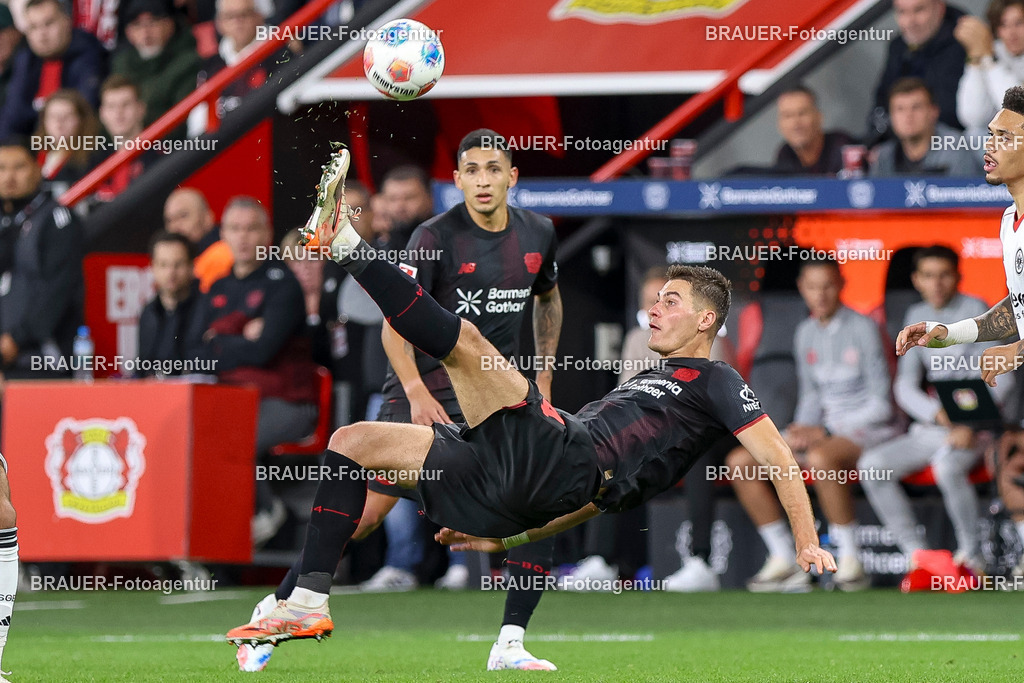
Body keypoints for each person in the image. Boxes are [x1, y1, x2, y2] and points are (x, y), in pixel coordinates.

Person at [225, 148, 836, 650]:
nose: (655, 308)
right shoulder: (644, 384)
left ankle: (345, 246)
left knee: (463, 339)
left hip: (562, 455)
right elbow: (595, 499)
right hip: (530, 480)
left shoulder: (717, 380)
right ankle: (304, 602)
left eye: (671, 301)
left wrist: (808, 539)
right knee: (351, 443)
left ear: (707, 321)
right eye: (657, 299)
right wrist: (507, 538)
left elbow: (778, 457)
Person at [235, 130, 566, 672]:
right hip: (427, 394)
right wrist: (413, 392)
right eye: (472, 170)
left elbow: (548, 301)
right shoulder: (433, 237)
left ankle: (510, 642)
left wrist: (546, 379)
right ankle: (273, 615)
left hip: (493, 399)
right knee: (362, 518)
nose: (483, 180)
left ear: (513, 176)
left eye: (493, 168)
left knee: (543, 494)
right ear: (455, 181)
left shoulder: (540, 233)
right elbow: (397, 323)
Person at [897, 85, 1024, 577]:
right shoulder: (1010, 220)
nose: (988, 147)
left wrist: (1017, 351)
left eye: (1004, 138)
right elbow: (1017, 310)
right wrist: (946, 333)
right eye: (988, 134)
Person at [725, 258, 896, 592]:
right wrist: (801, 429)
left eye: (828, 286)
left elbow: (882, 405)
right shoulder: (805, 332)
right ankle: (785, 559)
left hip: (871, 429)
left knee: (821, 458)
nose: (820, 295)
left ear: (841, 286)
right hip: (825, 432)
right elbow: (812, 396)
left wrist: (826, 433)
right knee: (740, 463)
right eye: (813, 287)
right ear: (802, 289)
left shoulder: (863, 328)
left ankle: (850, 561)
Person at [861, 245, 1008, 574]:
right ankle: (919, 556)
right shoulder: (915, 316)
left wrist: (970, 422)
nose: (937, 283)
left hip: (977, 428)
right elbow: (904, 386)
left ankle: (971, 555)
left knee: (946, 467)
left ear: (958, 276)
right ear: (916, 280)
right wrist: (936, 414)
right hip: (937, 426)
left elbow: (1000, 377)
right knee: (872, 466)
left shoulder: (979, 311)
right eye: (928, 276)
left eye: (944, 275)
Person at [185, 196, 319, 546]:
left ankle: (267, 511)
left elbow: (263, 353)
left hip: (286, 402)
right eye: (235, 228)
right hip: (229, 398)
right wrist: (235, 336)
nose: (243, 237)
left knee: (227, 437)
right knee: (189, 435)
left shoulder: (282, 284)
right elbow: (194, 353)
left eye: (251, 228)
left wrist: (219, 339)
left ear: (267, 233)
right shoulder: (217, 287)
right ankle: (199, 535)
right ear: (223, 235)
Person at [0, 137, 84, 379]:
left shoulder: (57, 220)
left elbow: (57, 290)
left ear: (38, 169)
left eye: (19, 167)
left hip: (41, 361)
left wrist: (14, 340)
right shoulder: (6, 220)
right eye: (2, 168)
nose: (9, 177)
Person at [0, 0, 106, 138]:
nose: (42, 34)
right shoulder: (24, 60)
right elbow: (12, 119)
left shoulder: (89, 54)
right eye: (33, 27)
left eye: (49, 23)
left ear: (67, 21)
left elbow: (83, 114)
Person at [186, 0, 293, 137]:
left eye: (244, 14)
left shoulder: (280, 55)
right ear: (219, 23)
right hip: (218, 145)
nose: (238, 22)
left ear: (259, 16)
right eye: (230, 16)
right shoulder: (211, 64)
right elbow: (198, 118)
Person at [869, 0, 967, 140]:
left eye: (918, 10)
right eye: (902, 12)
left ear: (939, 8)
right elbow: (881, 102)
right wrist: (877, 141)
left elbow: (949, 113)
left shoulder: (961, 43)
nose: (910, 21)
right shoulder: (898, 47)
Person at [111, 0, 200, 128]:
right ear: (128, 32)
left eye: (152, 23)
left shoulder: (188, 63)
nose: (146, 33)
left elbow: (182, 119)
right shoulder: (120, 64)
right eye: (137, 25)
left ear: (169, 25)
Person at [870, 77, 978, 176]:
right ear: (891, 116)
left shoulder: (956, 148)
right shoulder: (883, 156)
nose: (908, 116)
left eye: (916, 107)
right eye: (900, 109)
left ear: (934, 112)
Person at [137, 231, 201, 376]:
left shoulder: (206, 309)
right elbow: (142, 367)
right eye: (163, 265)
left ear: (192, 266)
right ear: (152, 267)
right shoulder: (148, 312)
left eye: (178, 264)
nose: (170, 272)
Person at [956, 0, 1024, 136]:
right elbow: (972, 117)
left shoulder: (989, 53)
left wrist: (990, 60)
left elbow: (1018, 110)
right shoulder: (993, 50)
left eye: (1019, 23)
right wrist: (976, 57)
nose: (1011, 33)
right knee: (973, 135)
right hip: (1005, 135)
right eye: (1003, 25)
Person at [770, 85, 856, 176]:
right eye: (788, 116)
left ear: (819, 117)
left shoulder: (842, 147)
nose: (795, 123)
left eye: (802, 113)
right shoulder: (785, 154)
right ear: (779, 124)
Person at [163, 187, 233, 291]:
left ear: (207, 218)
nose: (175, 227)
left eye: (183, 216)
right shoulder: (186, 260)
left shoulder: (222, 255)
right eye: (169, 220)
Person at [33, 89, 101, 192]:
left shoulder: (92, 158)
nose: (59, 123)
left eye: (67, 116)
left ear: (81, 120)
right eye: (53, 116)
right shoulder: (34, 155)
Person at [95, 75, 150, 201]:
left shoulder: (160, 157)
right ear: (102, 114)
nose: (118, 113)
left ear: (140, 109)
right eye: (111, 106)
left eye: (126, 104)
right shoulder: (93, 161)